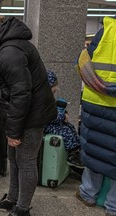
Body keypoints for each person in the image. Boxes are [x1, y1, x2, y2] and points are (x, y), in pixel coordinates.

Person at [0, 11, 56, 216]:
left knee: (25, 161)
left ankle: (22, 209)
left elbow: (21, 94)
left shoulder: (9, 52)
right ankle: (13, 198)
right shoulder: (3, 48)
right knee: (15, 158)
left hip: (31, 116)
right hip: (22, 114)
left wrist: (14, 132)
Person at [75, 16, 116, 216]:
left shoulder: (106, 30)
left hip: (95, 100)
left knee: (95, 150)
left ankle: (88, 193)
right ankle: (113, 206)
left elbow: (83, 61)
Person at [44, 70, 84, 169]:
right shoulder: (42, 100)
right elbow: (50, 117)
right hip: (45, 126)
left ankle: (76, 150)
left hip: (51, 122)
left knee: (70, 126)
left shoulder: (48, 98)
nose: (56, 89)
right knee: (65, 131)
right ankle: (72, 155)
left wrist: (63, 113)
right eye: (54, 86)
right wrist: (62, 116)